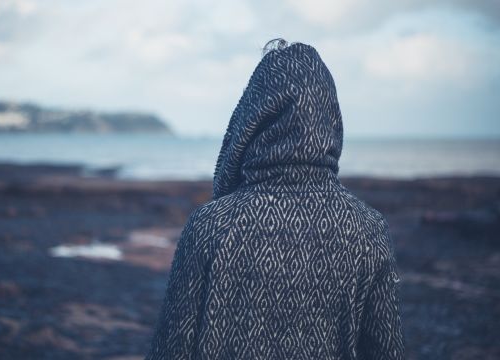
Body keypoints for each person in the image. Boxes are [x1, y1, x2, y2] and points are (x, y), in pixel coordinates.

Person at [146, 39, 405, 359]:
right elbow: (386, 352)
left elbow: (172, 350)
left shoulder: (211, 226)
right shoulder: (367, 230)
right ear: (329, 117)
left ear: (252, 117)